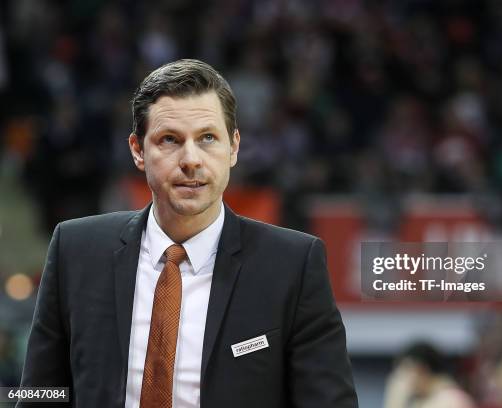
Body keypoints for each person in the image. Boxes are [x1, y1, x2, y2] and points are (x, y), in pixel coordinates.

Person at [19, 59, 358, 408]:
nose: (191, 159)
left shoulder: (293, 266)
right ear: (138, 150)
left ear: (234, 147)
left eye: (208, 138)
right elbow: (39, 395)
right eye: (170, 139)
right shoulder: (75, 251)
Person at [383, 342, 476, 408]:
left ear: (421, 369)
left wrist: (395, 401)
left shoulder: (451, 400)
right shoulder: (423, 401)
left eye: (405, 371)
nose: (401, 379)